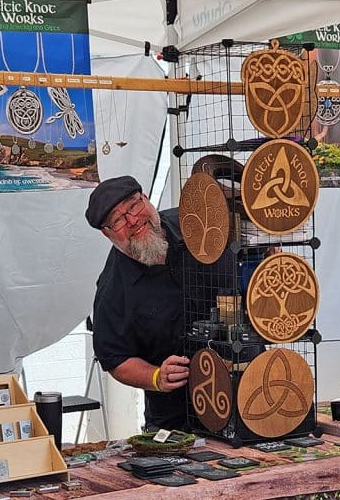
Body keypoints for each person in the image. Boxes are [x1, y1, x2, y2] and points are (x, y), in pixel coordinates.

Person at [86, 175, 233, 432]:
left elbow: (247, 232)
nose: (133, 220)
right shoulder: (113, 290)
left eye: (133, 206)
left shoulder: (198, 223)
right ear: (106, 233)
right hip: (175, 422)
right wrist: (156, 376)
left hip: (247, 394)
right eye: (118, 220)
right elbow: (115, 358)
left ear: (146, 198)